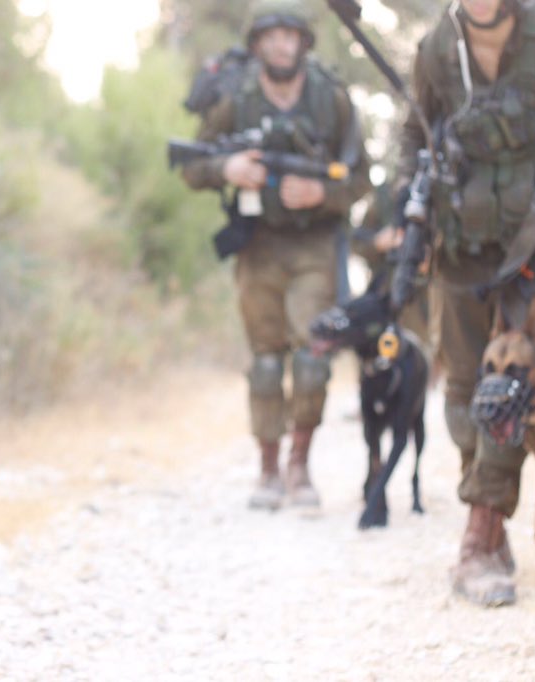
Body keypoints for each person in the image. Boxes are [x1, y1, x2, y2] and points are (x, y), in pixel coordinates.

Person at [180, 0, 370, 511]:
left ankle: (299, 465)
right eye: (272, 36)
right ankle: (267, 468)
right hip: (257, 243)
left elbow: (361, 179)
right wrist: (228, 169)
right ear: (258, 44)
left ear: (303, 43)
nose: (282, 44)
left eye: (291, 36)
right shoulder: (234, 100)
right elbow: (191, 166)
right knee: (266, 363)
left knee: (312, 357)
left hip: (314, 244)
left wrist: (319, 194)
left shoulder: (330, 98)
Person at [399, 0, 535, 607]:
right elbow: (414, 135)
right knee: (462, 396)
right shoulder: (435, 49)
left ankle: (476, 544)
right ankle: (490, 516)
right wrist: (410, 219)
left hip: (529, 241)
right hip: (461, 242)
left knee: (509, 375)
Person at [350, 180, 431, 348]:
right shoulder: (382, 197)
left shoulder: (436, 191)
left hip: (424, 299)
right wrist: (377, 241)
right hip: (386, 295)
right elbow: (356, 241)